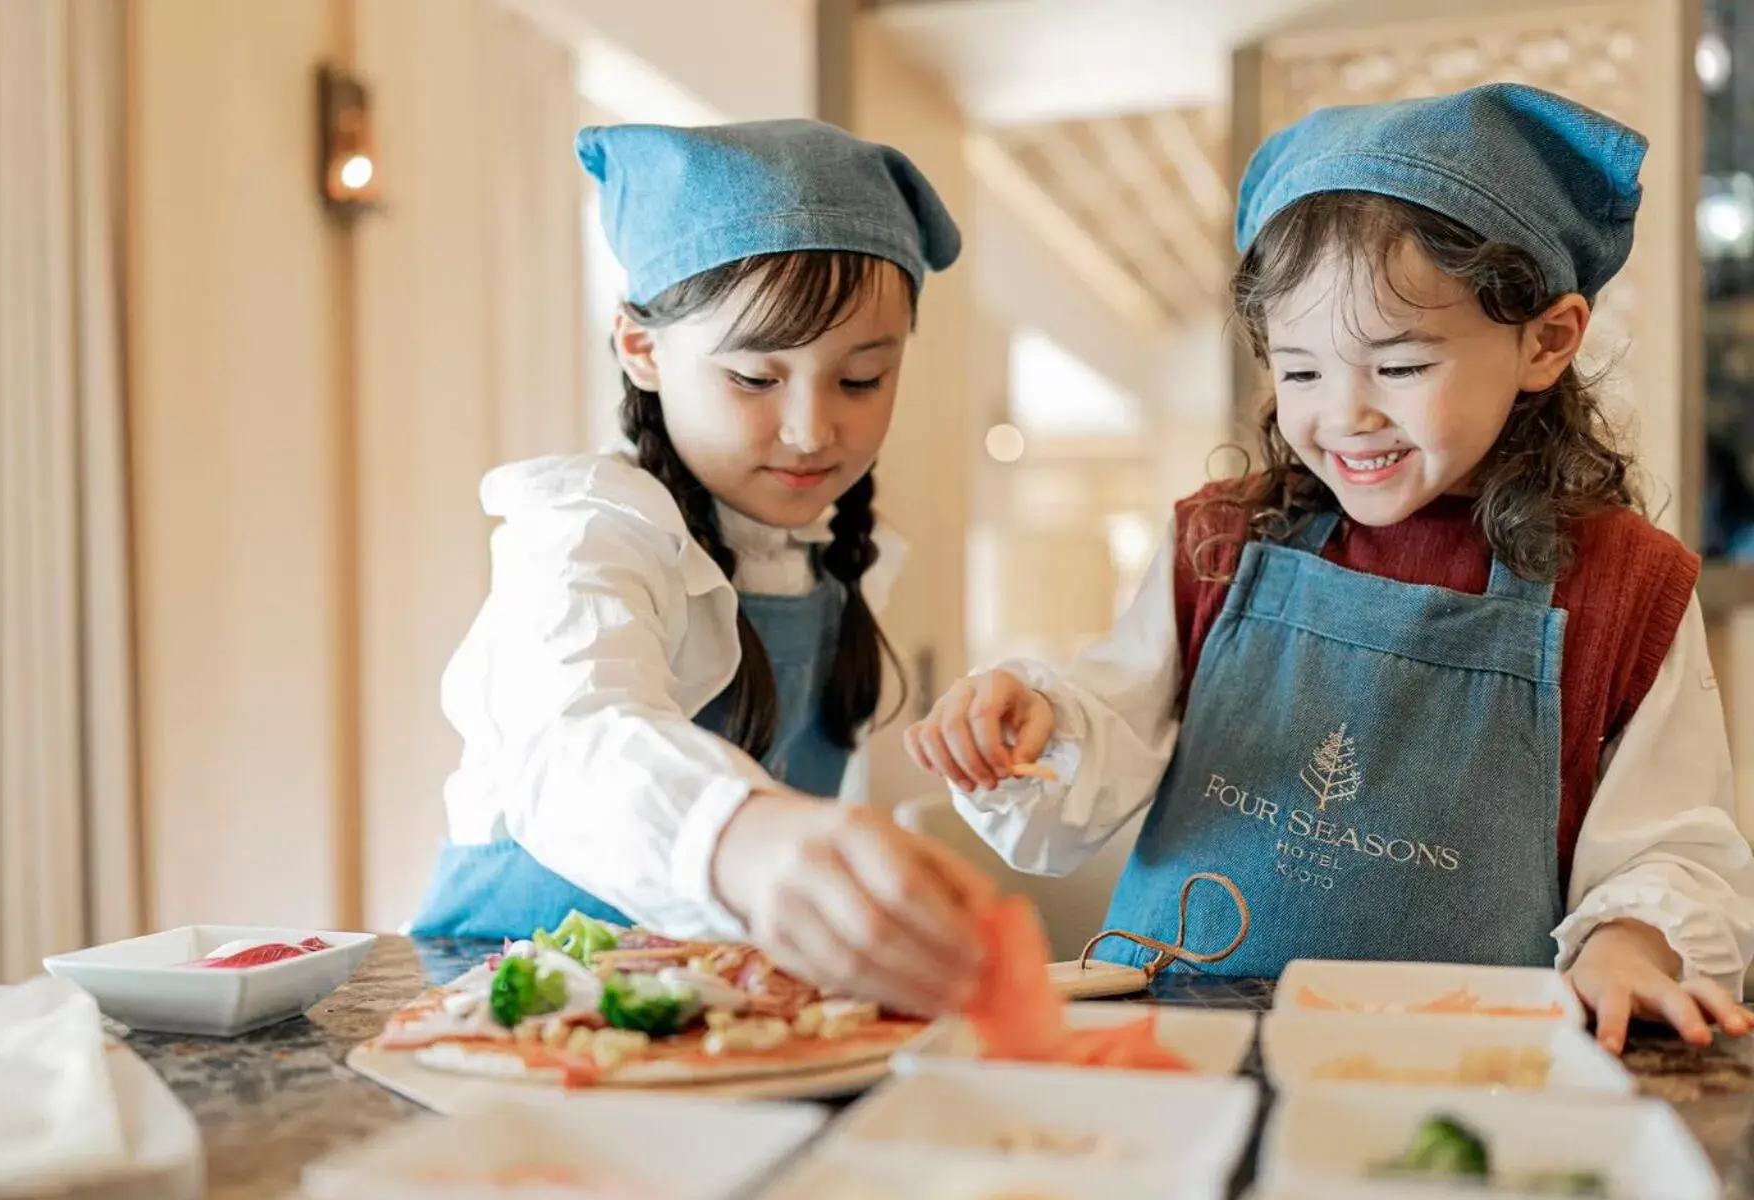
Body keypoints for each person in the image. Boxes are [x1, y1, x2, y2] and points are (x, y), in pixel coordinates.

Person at [908, 84, 1754, 1050]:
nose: (1344, 416)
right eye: (1301, 370)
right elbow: (1106, 723)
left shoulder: (1625, 586)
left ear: (1546, 340)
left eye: (1399, 367)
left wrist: (1631, 945)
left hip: (1454, 1068)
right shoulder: (1223, 540)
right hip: (1175, 1054)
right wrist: (1035, 722)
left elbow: (1672, 848)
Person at [413, 120, 985, 1017]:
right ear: (642, 350)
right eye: (756, 379)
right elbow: (576, 737)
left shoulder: (839, 563)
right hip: (513, 1017)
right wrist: (740, 841)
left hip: (728, 1027)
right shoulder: (588, 531)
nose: (811, 430)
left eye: (862, 380)